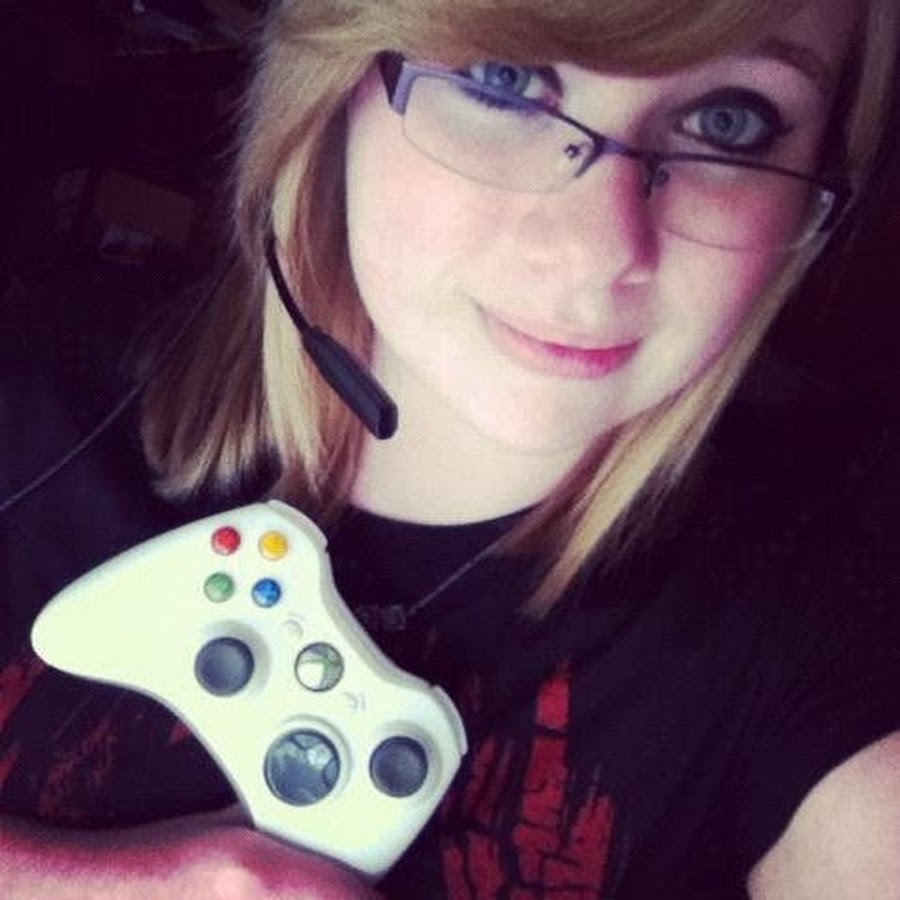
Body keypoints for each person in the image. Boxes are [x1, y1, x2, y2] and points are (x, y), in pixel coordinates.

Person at [2, 0, 899, 896]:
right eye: (502, 80)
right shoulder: (39, 375)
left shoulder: (825, 612)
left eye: (729, 121)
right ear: (336, 82)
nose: (594, 251)